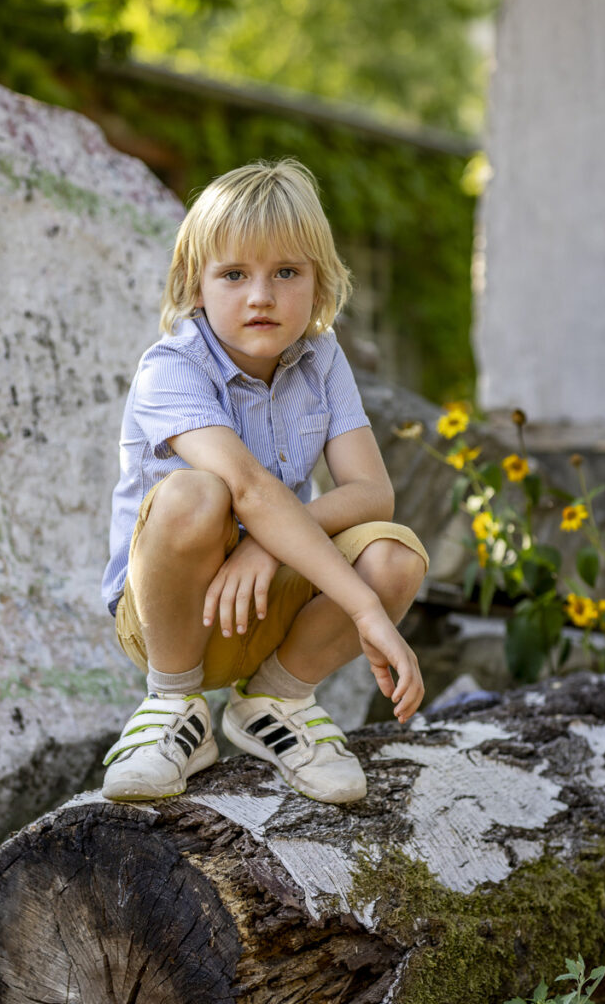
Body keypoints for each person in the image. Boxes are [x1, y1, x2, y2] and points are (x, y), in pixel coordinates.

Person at [101, 159, 429, 805]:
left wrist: (262, 547)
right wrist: (365, 612)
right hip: (170, 616)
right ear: (195, 286)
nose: (261, 295)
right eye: (233, 274)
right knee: (197, 493)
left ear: (319, 282)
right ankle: (173, 711)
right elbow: (247, 488)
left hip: (267, 604)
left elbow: (371, 493)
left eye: (286, 272)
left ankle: (274, 704)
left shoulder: (321, 357)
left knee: (393, 554)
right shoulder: (169, 368)